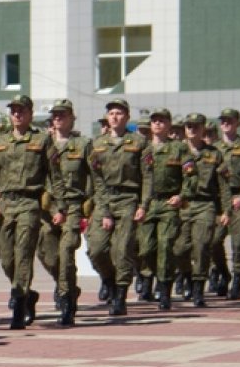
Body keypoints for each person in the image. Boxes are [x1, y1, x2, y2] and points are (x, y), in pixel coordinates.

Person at [0, 94, 58, 329]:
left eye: (21, 110)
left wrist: (58, 206)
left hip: (29, 203)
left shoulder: (42, 140)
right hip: (6, 204)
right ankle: (27, 294)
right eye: (14, 110)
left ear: (30, 114)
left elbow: (54, 176)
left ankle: (19, 303)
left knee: (24, 253)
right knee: (6, 254)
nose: (17, 114)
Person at [86, 98, 147, 316]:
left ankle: (120, 296)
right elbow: (97, 179)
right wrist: (103, 209)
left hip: (129, 199)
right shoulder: (97, 144)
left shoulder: (139, 143)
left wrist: (144, 204)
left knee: (122, 251)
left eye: (119, 113)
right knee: (96, 249)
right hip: (105, 199)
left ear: (127, 117)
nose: (115, 117)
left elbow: (147, 176)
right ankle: (108, 280)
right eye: (111, 113)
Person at [38, 99, 92, 325]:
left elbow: (94, 177)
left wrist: (89, 203)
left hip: (72, 206)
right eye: (55, 115)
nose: (58, 118)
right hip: (47, 208)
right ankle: (69, 286)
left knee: (67, 250)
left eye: (63, 114)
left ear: (72, 118)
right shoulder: (42, 143)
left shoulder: (83, 144)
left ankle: (65, 298)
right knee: (47, 254)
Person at [175, 113, 232, 307]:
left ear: (202, 129)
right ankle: (188, 276)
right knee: (180, 249)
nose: (192, 129)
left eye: (196, 126)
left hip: (205, 205)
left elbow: (224, 186)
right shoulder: (177, 152)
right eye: (188, 126)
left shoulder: (214, 154)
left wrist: (226, 211)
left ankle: (199, 288)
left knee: (201, 247)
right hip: (183, 205)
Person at [138, 108, 190, 310]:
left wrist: (182, 195)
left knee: (166, 245)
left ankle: (164, 289)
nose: (157, 124)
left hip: (169, 203)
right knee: (145, 248)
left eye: (162, 121)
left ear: (169, 125)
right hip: (148, 203)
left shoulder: (179, 148)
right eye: (154, 121)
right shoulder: (143, 149)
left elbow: (190, 175)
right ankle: (155, 275)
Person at [210, 108, 240, 299]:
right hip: (219, 201)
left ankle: (237, 279)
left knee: (239, 241)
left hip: (238, 198)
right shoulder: (213, 148)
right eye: (223, 120)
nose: (226, 123)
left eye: (230, 120)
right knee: (212, 241)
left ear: (238, 123)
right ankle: (223, 273)